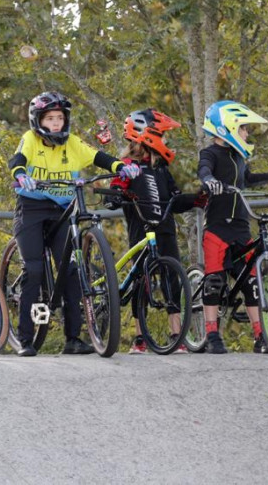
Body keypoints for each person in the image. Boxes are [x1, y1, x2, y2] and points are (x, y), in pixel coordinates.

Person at [8, 91, 141, 357]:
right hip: (32, 208)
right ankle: (25, 340)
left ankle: (73, 338)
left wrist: (121, 166)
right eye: (50, 118)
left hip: (61, 209)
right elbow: (18, 160)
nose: (56, 123)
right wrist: (21, 175)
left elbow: (97, 156)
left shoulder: (72, 142)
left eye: (59, 118)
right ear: (38, 121)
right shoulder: (30, 139)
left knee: (70, 271)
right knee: (33, 269)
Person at [197, 101, 268, 354]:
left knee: (252, 283)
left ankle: (260, 337)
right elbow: (204, 170)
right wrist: (209, 181)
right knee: (214, 280)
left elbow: (249, 179)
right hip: (218, 226)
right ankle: (211, 334)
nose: (246, 134)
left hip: (241, 226)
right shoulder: (210, 153)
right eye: (243, 129)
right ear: (228, 128)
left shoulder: (239, 156)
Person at [103, 109, 203, 354]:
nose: (166, 142)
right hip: (141, 231)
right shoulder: (127, 166)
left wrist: (198, 199)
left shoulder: (161, 170)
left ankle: (176, 333)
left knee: (172, 277)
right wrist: (114, 196)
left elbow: (175, 200)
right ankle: (140, 338)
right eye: (163, 136)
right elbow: (116, 186)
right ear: (147, 135)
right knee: (141, 282)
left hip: (165, 229)